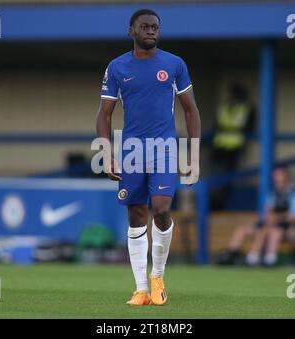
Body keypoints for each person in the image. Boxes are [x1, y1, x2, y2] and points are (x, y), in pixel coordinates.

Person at [96, 9, 200, 306]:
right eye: (145, 26)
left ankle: (158, 277)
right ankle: (141, 289)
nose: (151, 31)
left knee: (162, 209)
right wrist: (106, 153)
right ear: (132, 31)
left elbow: (191, 111)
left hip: (165, 147)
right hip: (131, 150)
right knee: (135, 214)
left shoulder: (174, 64)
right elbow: (104, 114)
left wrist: (193, 155)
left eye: (155, 27)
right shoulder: (116, 68)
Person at [215, 167, 295, 266]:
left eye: (279, 176)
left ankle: (264, 259)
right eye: (275, 176)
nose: (276, 179)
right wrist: (270, 217)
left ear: (286, 177)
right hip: (269, 223)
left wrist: (278, 217)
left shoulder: (292, 192)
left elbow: (291, 216)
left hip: (284, 226)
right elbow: (267, 211)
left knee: (271, 231)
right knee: (243, 229)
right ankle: (231, 254)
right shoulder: (274, 193)